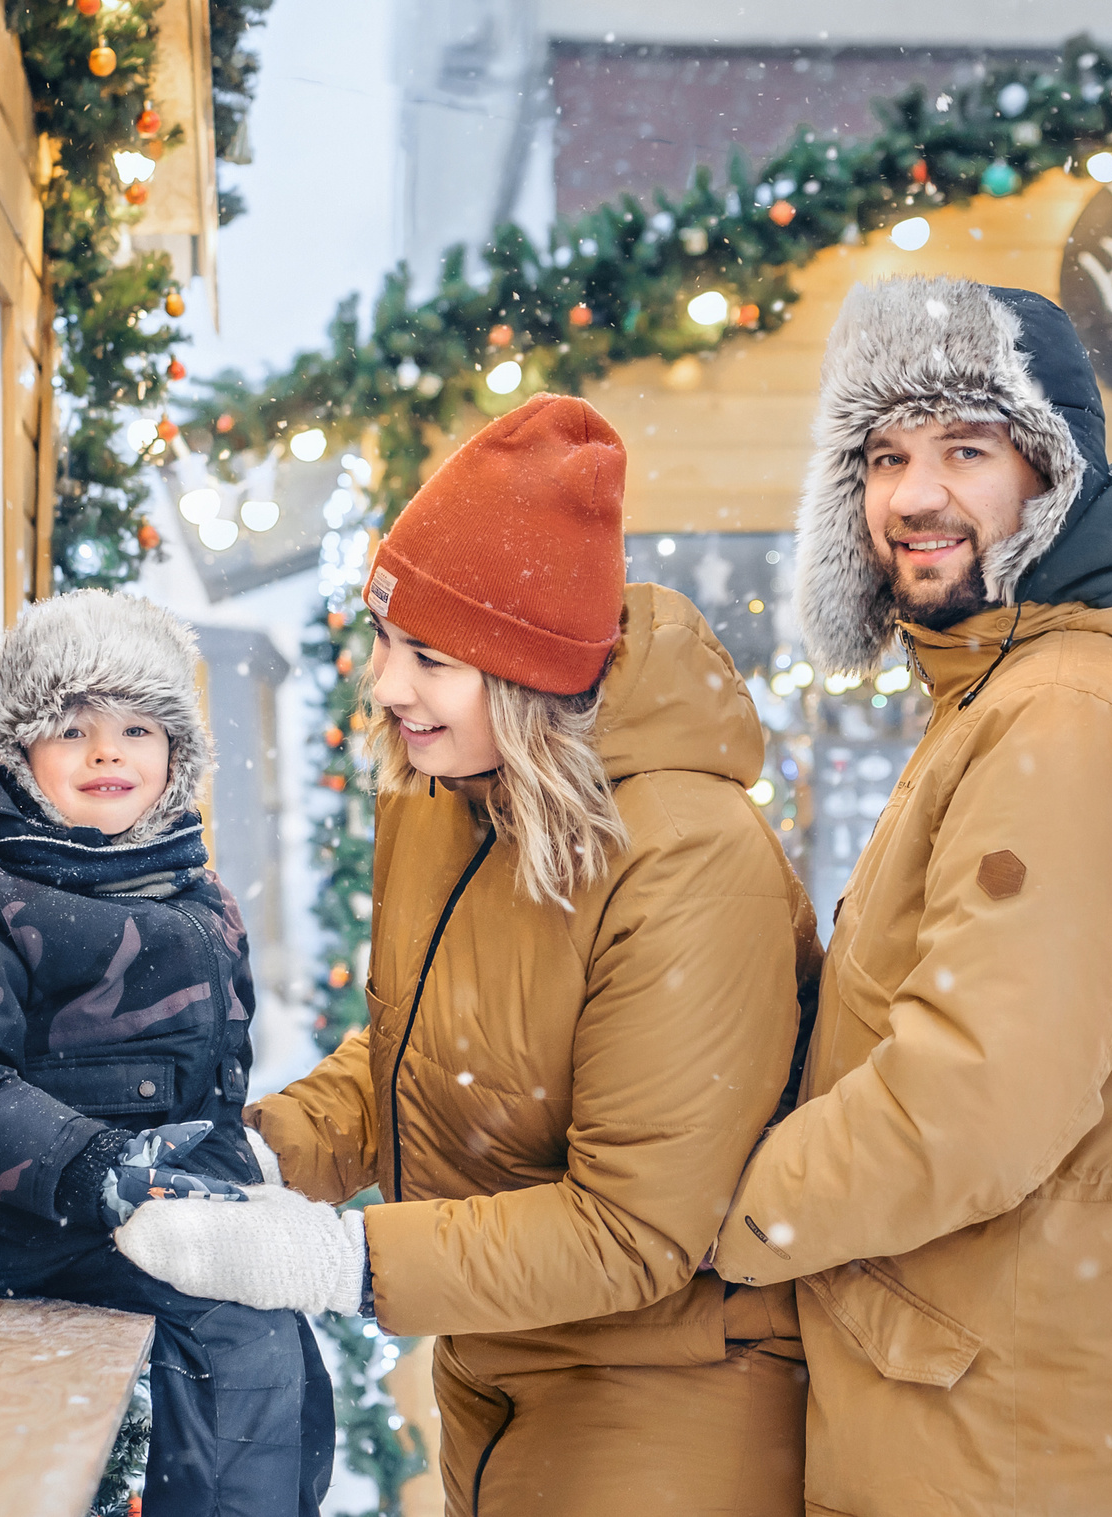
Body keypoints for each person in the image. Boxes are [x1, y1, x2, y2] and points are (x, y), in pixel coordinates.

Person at [114, 395, 816, 1517]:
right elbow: (416, 1044)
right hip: (495, 1369)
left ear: (532, 672)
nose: (388, 685)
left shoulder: (689, 861)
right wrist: (260, 1154)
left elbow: (635, 1226)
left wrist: (340, 1261)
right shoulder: (449, 797)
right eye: (385, 638)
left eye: (431, 656)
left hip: (667, 1398)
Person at [711, 275, 1112, 1516]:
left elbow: (978, 1096)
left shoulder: (1068, 715)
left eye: (966, 446)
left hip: (1005, 1412)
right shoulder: (992, 702)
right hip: (956, 1376)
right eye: (883, 454)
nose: (916, 494)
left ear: (1051, 476)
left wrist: (732, 1215)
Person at [0, 589, 333, 1517]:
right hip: (52, 1217)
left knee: (287, 1342)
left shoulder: (195, 888)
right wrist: (93, 1166)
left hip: (174, 1194)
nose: (108, 751)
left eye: (138, 727)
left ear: (176, 753)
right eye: (72, 727)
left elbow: (218, 1067)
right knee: (238, 1338)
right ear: (21, 752)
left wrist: (241, 1180)